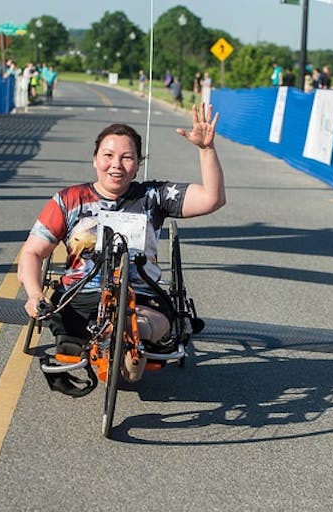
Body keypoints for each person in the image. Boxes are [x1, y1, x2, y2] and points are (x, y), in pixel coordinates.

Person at [18, 102, 225, 391]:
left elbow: (212, 199)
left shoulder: (154, 196)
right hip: (82, 294)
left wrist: (206, 149)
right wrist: (34, 294)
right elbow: (32, 252)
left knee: (144, 328)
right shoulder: (68, 200)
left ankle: (129, 337)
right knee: (68, 333)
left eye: (127, 157)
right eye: (108, 155)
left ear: (138, 163)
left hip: (141, 298)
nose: (116, 164)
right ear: (94, 159)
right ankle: (111, 341)